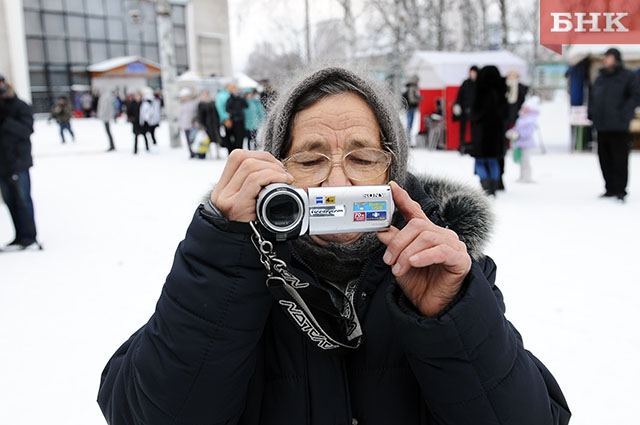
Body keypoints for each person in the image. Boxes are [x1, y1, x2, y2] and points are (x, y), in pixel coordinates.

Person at [97, 65, 570, 425]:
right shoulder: (232, 263)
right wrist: (223, 257)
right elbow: (146, 414)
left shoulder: (446, 265)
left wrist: (450, 314)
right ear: (275, 170)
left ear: (392, 171)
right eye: (310, 160)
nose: (338, 182)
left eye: (362, 158)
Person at [588, 47, 640, 202]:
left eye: (608, 57)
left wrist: (625, 114)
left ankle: (620, 189)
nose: (604, 59)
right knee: (604, 159)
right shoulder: (600, 77)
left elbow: (635, 96)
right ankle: (609, 188)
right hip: (602, 125)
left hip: (619, 126)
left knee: (620, 159)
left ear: (616, 58)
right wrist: (592, 113)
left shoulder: (627, 76)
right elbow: (592, 97)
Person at [0, 75, 42, 251]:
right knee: (10, 201)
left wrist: (6, 121)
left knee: (23, 200)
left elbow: (27, 130)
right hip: (2, 164)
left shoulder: (19, 106)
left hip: (18, 162)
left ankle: (29, 237)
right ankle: (19, 236)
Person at [470, 65, 508, 196]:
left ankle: (486, 185)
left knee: (480, 161)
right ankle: (493, 186)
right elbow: (505, 114)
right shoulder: (501, 91)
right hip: (496, 133)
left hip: (480, 133)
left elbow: (474, 113)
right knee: (493, 161)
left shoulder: (479, 91)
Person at [506, 95, 540, 183]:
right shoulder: (521, 119)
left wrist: (518, 135)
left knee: (526, 161)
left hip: (526, 144)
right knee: (521, 161)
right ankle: (522, 176)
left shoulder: (531, 120)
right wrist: (512, 132)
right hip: (519, 143)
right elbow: (516, 128)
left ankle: (527, 177)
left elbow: (528, 133)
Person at [452, 65, 478, 154]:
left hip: (475, 110)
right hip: (464, 109)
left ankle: (474, 144)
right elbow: (460, 95)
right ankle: (462, 144)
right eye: (471, 72)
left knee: (475, 128)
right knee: (462, 128)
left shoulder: (479, 84)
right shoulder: (466, 83)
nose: (472, 74)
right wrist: (457, 104)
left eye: (474, 72)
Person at [197, 90, 222, 158]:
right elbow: (200, 115)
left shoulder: (212, 102)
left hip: (215, 124)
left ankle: (218, 154)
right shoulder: (201, 104)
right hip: (207, 125)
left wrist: (219, 122)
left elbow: (216, 113)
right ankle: (210, 154)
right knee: (208, 140)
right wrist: (201, 125)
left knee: (217, 140)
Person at [225, 84, 248, 152]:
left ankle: (240, 151)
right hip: (234, 121)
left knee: (240, 137)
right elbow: (227, 109)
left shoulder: (240, 98)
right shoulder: (230, 99)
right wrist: (234, 113)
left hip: (241, 120)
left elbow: (246, 105)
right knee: (235, 138)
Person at [178, 87, 199, 158]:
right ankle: (191, 152)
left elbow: (196, 113)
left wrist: (196, 122)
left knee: (194, 139)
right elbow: (181, 115)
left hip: (193, 124)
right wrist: (179, 124)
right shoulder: (182, 104)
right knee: (188, 140)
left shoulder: (194, 103)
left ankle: (196, 152)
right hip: (185, 124)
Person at [402, 74, 422, 145]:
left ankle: (408, 139)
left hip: (409, 107)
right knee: (410, 123)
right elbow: (412, 99)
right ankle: (408, 140)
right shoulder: (412, 87)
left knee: (409, 123)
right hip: (411, 107)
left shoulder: (409, 87)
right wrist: (419, 99)